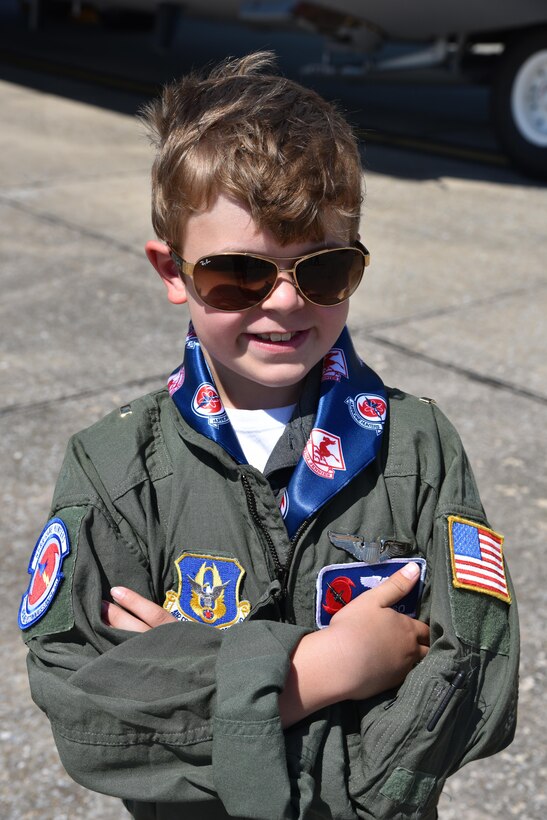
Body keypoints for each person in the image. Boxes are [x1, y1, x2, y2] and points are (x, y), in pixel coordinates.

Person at [19, 52, 519, 820]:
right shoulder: (116, 467)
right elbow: (93, 718)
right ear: (171, 270)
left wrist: (199, 682)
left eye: (322, 271)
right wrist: (324, 670)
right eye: (237, 276)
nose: (284, 304)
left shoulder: (416, 447)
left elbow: (474, 686)